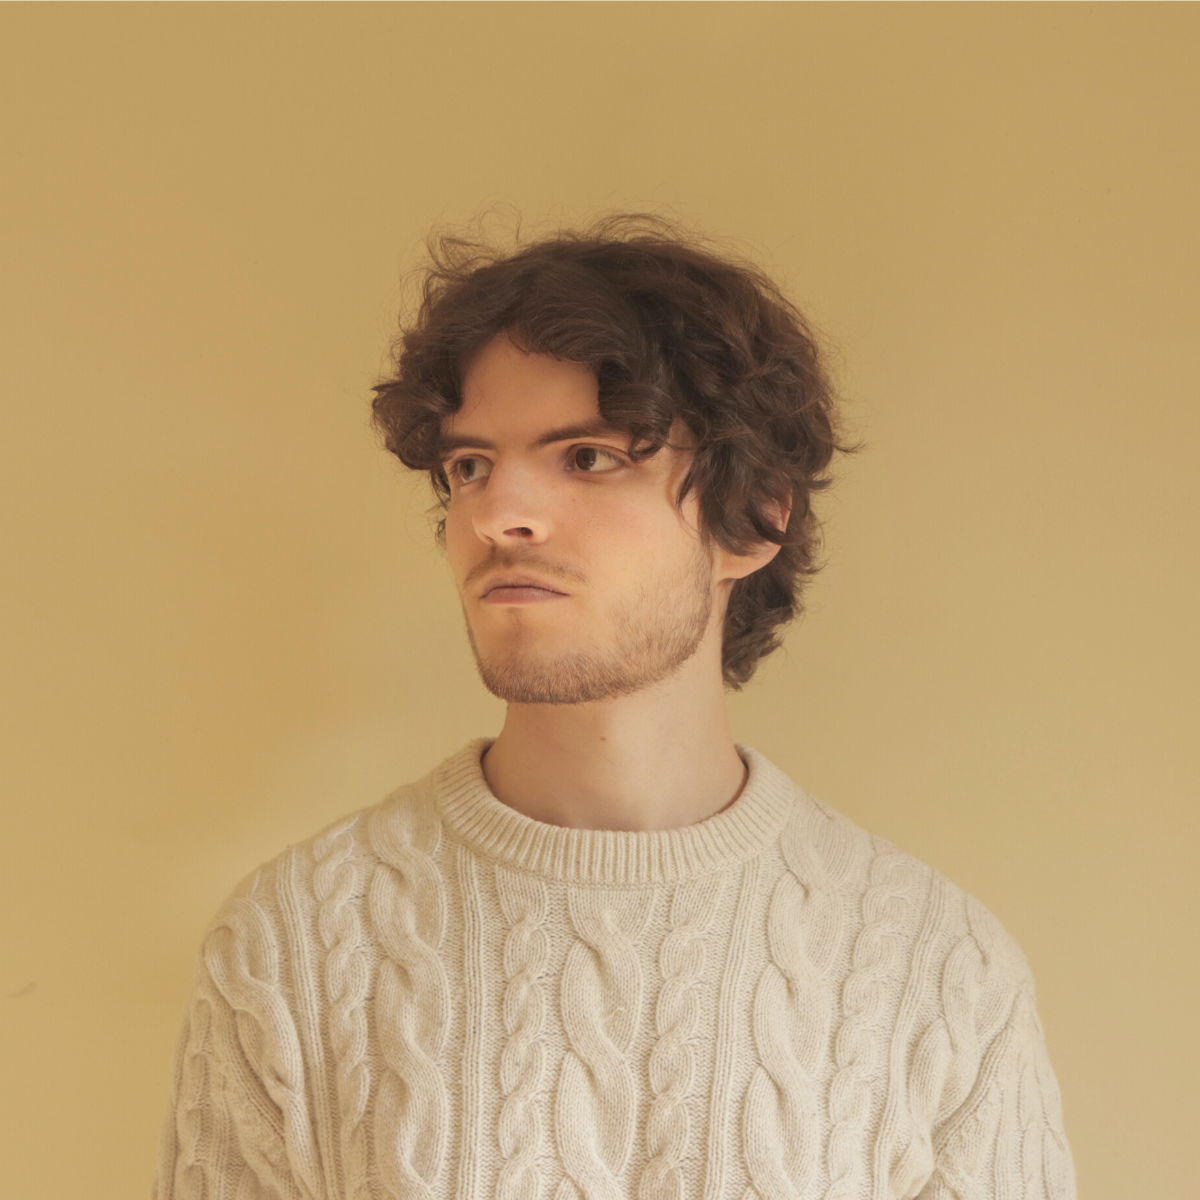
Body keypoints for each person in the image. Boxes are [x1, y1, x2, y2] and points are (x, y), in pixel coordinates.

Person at [153, 215, 1075, 1200]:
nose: (497, 513)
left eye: (587, 457)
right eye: (469, 465)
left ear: (756, 514)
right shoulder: (292, 945)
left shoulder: (936, 969)